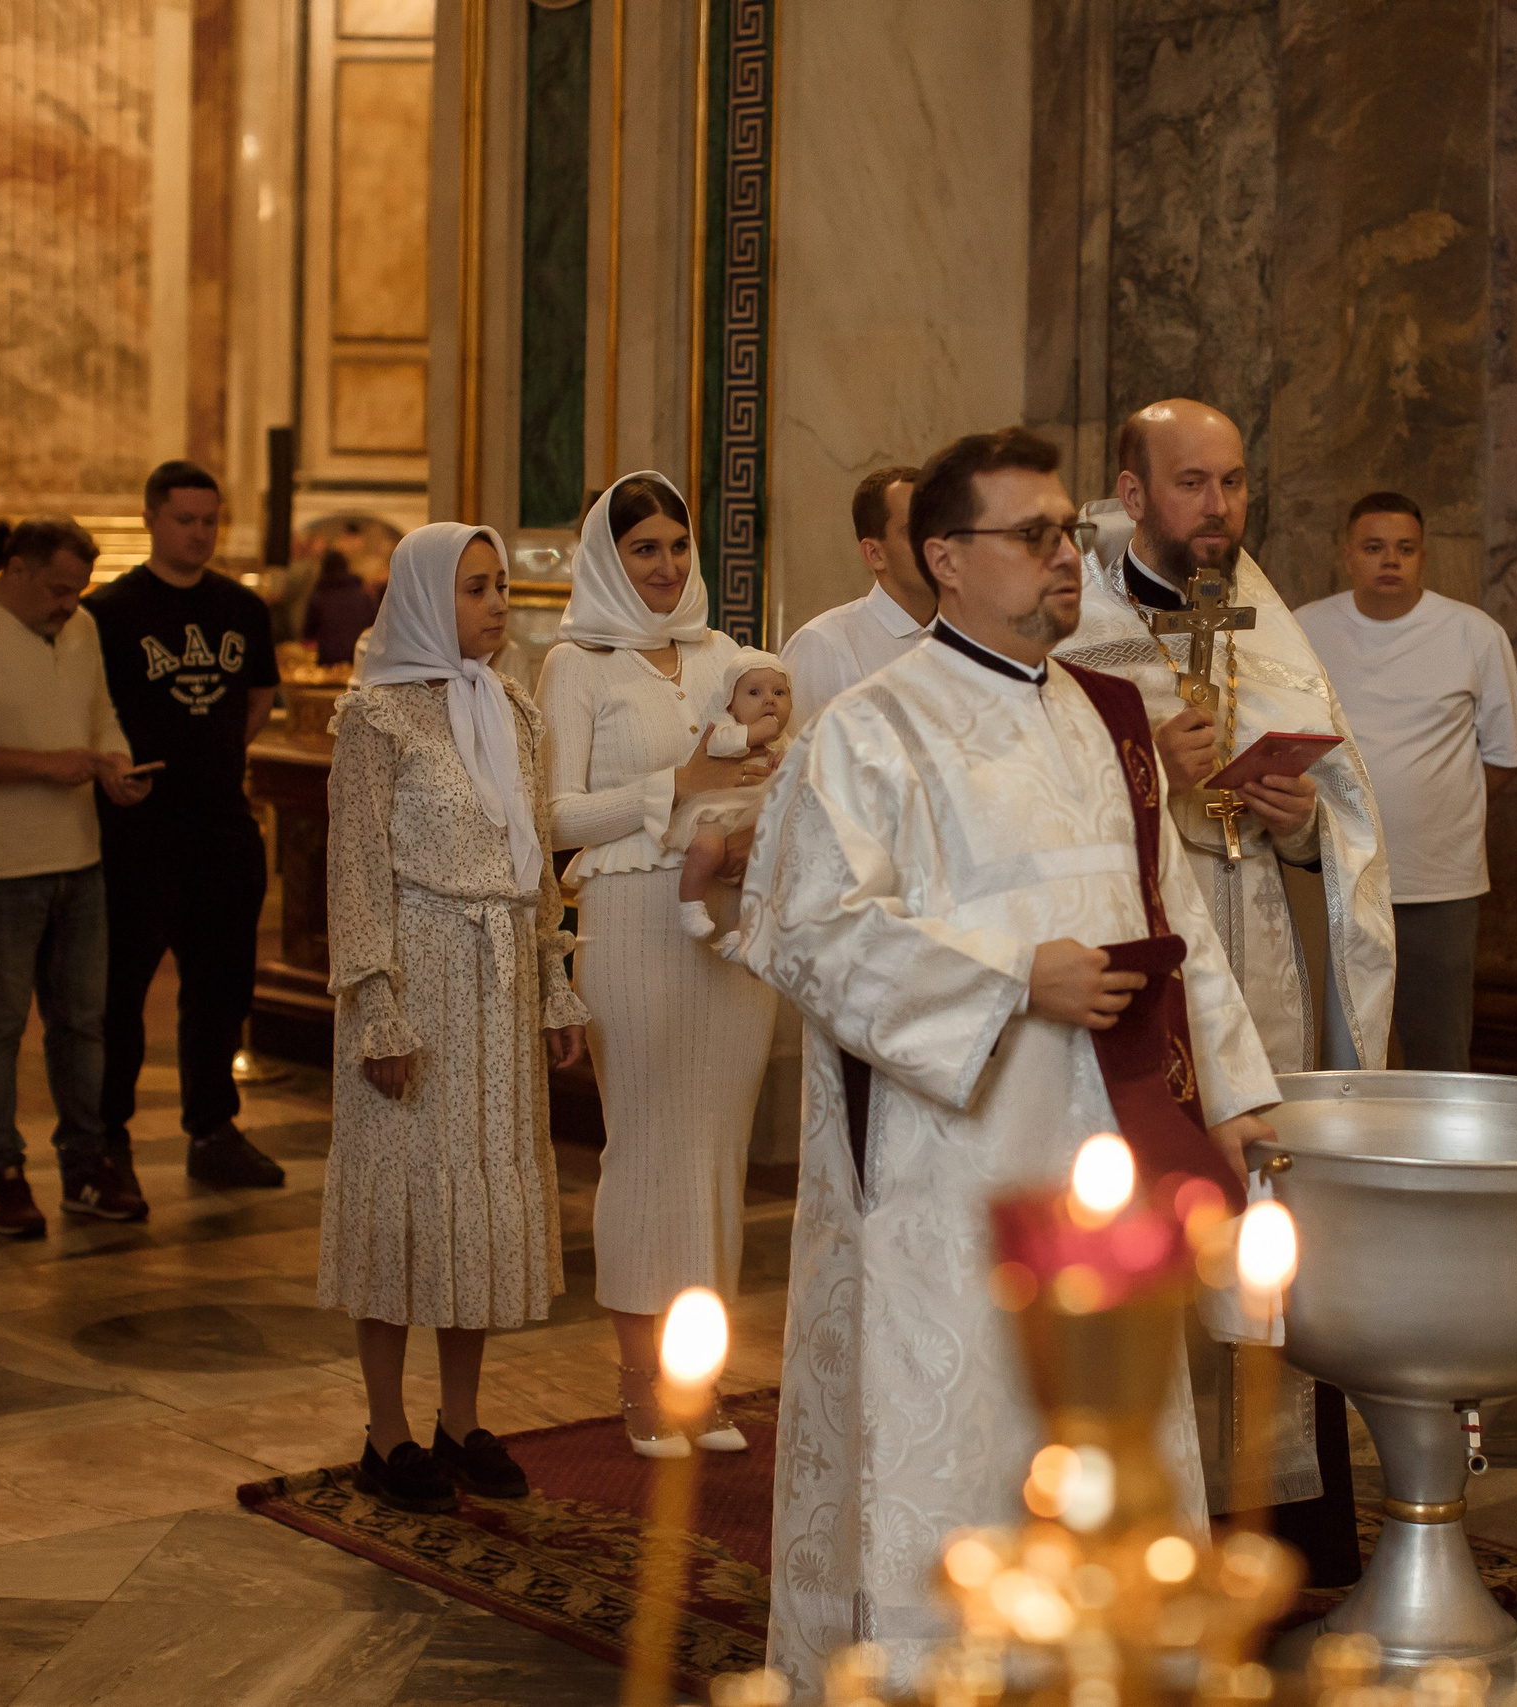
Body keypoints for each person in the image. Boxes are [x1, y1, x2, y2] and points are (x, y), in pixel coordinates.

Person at [740, 426, 1279, 1695]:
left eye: (1067, 535)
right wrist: (1008, 977)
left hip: (1104, 1135)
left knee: (1109, 1423)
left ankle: (1106, 1663)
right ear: (944, 557)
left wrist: (1239, 1096)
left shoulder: (1107, 714)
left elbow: (1173, 912)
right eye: (1031, 536)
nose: (1064, 559)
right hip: (947, 1166)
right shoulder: (867, 731)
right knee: (962, 1428)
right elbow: (807, 932)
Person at [1056, 398, 1395, 1581]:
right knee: (1164, 1207)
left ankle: (1273, 1510)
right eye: (1193, 484)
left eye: (1236, 483)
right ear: (1132, 491)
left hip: (1258, 953)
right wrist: (1148, 769)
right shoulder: (1072, 622)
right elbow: (1039, 808)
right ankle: (1152, 1507)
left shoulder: (1265, 616)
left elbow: (1334, 812)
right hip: (1146, 972)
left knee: (1263, 1209)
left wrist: (1300, 823)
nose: (1219, 508)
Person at [317, 521, 589, 1514]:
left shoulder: (513, 708)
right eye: (476, 589)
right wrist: (377, 1012)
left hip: (501, 990)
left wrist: (555, 984)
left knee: (477, 1208)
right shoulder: (374, 718)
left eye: (501, 585)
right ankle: (385, 1432)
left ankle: (462, 1419)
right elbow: (353, 878)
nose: (496, 604)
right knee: (403, 1209)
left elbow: (538, 864)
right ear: (429, 597)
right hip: (416, 988)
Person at [536, 473, 778, 1458]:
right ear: (606, 555)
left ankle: (700, 1380)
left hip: (730, 921)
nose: (666, 566)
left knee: (716, 1155)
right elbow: (551, 815)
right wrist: (666, 787)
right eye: (644, 549)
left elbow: (770, 761)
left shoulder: (726, 655)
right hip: (631, 917)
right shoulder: (575, 663)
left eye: (677, 546)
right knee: (646, 1148)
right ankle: (641, 1384)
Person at [0, 516, 155, 1237]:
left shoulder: (78, 630)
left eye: (78, 591)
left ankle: (85, 1164)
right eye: (56, 588)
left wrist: (114, 765)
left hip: (79, 858)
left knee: (82, 1024)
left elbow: (100, 715)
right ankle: (2, 1174)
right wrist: (49, 765)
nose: (69, 604)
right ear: (13, 569)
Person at [83, 460, 287, 1199]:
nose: (199, 533)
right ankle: (107, 1138)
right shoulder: (108, 612)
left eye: (210, 521)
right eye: (184, 520)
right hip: (136, 833)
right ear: (151, 519)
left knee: (220, 990)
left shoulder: (241, 606)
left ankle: (213, 1130)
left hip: (221, 828)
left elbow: (259, 691)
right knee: (119, 997)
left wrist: (223, 749)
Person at [1296, 492, 1517, 1072]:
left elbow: (1503, 758)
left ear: (1423, 557)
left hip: (1440, 880)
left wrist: (1436, 806)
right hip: (1336, 874)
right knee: (1339, 1052)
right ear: (1347, 555)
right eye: (1374, 547)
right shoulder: (1304, 629)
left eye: (1405, 549)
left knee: (1439, 1053)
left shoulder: (1474, 634)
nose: (1390, 561)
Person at [778, 464, 930, 713]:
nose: (936, 543)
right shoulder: (823, 645)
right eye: (916, 531)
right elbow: (796, 751)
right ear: (874, 554)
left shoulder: (970, 641)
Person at [673, 650, 792, 958]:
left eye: (779, 692)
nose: (769, 700)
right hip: (719, 811)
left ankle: (743, 932)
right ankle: (690, 904)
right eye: (755, 692)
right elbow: (719, 745)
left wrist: (787, 758)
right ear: (731, 703)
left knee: (762, 872)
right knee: (706, 850)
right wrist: (755, 733)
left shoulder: (787, 742)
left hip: (757, 821)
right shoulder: (723, 726)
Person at [303, 548, 381, 669]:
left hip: (329, 666)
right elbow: (374, 629)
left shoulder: (320, 596)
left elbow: (308, 634)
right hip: (360, 662)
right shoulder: (363, 595)